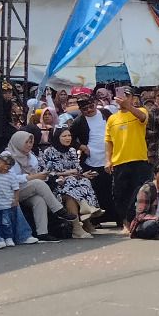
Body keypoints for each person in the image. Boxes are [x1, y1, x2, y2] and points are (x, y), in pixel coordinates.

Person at [5, 130, 76, 241]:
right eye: (27, 142)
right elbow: (10, 178)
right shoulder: (7, 156)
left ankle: (42, 233)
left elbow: (37, 173)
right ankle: (59, 210)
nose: (30, 145)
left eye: (31, 142)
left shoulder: (30, 156)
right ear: (18, 142)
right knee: (38, 183)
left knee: (39, 200)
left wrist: (43, 176)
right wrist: (33, 177)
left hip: (25, 189)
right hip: (10, 191)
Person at [106, 87, 152, 232]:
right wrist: (108, 159)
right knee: (120, 195)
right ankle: (126, 224)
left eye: (127, 95)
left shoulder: (141, 111)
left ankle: (138, 222)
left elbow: (142, 118)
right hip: (120, 161)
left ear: (133, 98)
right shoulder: (112, 118)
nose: (124, 98)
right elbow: (108, 141)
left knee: (139, 193)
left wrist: (128, 106)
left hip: (139, 159)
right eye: (121, 95)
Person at [40, 127, 100, 239]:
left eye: (69, 136)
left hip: (73, 183)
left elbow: (77, 169)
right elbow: (49, 172)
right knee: (70, 187)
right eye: (64, 136)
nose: (68, 138)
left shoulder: (72, 151)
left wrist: (82, 174)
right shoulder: (49, 152)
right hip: (59, 184)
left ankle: (87, 220)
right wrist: (69, 173)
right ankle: (77, 225)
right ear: (57, 137)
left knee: (85, 180)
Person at [66, 96, 114, 226]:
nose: (89, 110)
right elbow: (68, 137)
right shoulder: (79, 121)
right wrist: (80, 146)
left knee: (111, 188)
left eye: (91, 106)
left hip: (110, 157)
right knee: (96, 189)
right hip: (91, 159)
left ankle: (115, 216)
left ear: (95, 103)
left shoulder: (105, 113)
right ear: (81, 110)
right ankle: (97, 219)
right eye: (85, 109)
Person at [0, 152, 38, 249]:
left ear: (7, 167)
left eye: (0, 162)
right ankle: (0, 237)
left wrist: (16, 199)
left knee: (6, 222)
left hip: (7, 203)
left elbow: (16, 189)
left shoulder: (11, 176)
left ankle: (9, 237)